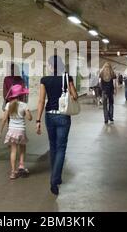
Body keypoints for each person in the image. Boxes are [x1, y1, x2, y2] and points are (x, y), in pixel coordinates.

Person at [36, 55, 78, 196]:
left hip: (50, 116)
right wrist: (70, 90)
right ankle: (55, 180)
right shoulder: (67, 78)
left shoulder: (45, 80)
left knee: (53, 146)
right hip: (63, 116)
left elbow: (41, 101)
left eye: (48, 65)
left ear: (51, 66)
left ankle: (56, 176)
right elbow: (75, 96)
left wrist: (38, 120)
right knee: (61, 148)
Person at [0, 84, 32, 180]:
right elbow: (30, 118)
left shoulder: (8, 105)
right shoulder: (24, 105)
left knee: (13, 151)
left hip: (11, 131)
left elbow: (4, 119)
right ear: (21, 95)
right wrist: (27, 112)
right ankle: (21, 165)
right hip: (21, 131)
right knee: (22, 147)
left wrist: (0, 130)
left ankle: (13, 172)